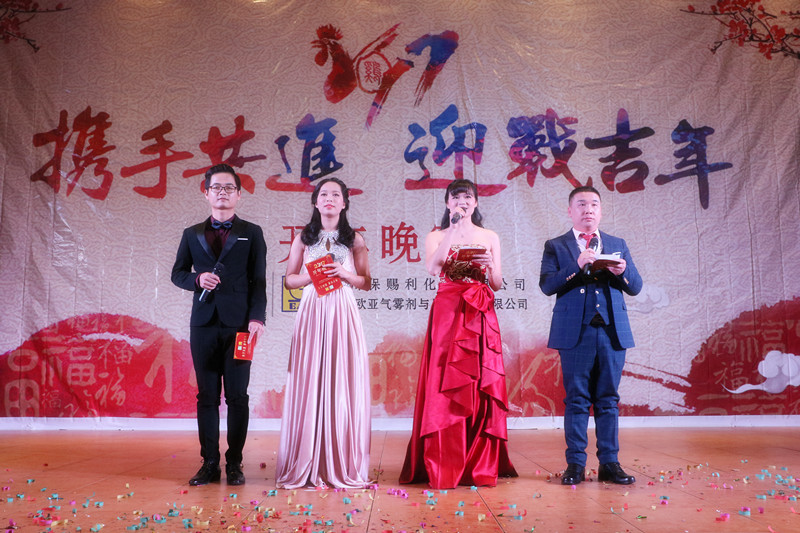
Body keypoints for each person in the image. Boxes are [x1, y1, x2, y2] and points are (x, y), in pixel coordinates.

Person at [400, 179, 517, 489]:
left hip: (479, 308)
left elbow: (497, 283)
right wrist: (452, 230)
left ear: (475, 202)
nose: (461, 202)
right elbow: (433, 268)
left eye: (467, 197)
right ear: (447, 203)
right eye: (455, 198)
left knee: (478, 378)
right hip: (448, 310)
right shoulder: (437, 235)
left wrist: (489, 266)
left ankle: (478, 462)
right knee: (445, 376)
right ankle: (445, 459)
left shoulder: (489, 236)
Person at [539, 185, 642, 485]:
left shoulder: (617, 243)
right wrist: (577, 264)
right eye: (582, 204)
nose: (588, 210)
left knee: (608, 399)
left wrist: (622, 272)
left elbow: (636, 286)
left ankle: (610, 463)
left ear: (600, 211)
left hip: (611, 332)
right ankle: (575, 465)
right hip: (576, 332)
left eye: (594, 204)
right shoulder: (556, 246)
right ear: (570, 211)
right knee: (577, 399)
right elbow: (547, 285)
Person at [171, 164, 267, 486]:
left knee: (238, 396)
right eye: (216, 187)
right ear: (206, 193)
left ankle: (235, 463)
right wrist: (197, 279)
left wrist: (257, 318)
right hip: (203, 325)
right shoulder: (191, 233)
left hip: (241, 327)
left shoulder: (252, 232)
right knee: (207, 396)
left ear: (239, 194)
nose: (222, 192)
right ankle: (209, 463)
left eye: (229, 188)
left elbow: (259, 280)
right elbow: (178, 274)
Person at [275, 177, 372, 489]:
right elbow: (289, 280)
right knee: (309, 376)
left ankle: (340, 460)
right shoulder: (303, 238)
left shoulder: (354, 239)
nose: (329, 198)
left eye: (336, 194)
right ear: (316, 202)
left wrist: (344, 273)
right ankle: (308, 459)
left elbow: (366, 282)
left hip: (342, 310)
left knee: (341, 376)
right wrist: (308, 276)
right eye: (324, 194)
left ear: (344, 203)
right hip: (312, 310)